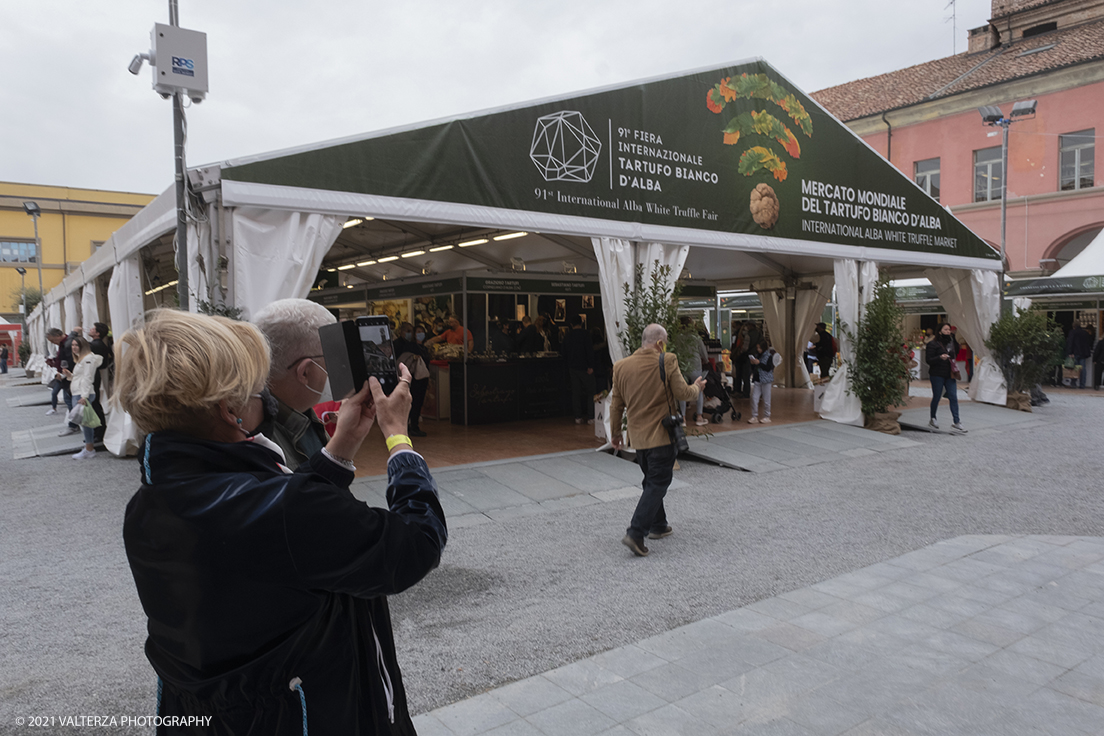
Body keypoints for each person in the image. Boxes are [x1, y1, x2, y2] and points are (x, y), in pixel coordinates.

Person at [118, 309, 447, 735]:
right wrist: (398, 439)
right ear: (230, 409)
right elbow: (416, 543)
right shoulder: (287, 509)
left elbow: (273, 536)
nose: (266, 400)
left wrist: (341, 445)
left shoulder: (148, 506)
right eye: (258, 391)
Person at [609, 323, 705, 557]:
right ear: (660, 343)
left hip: (638, 439)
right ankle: (636, 532)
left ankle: (659, 525)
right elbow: (682, 393)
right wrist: (697, 387)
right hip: (661, 435)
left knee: (651, 479)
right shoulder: (667, 359)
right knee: (658, 482)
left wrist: (615, 434)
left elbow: (616, 405)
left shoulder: (620, 366)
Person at [252, 298, 336, 470]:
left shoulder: (300, 412)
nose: (334, 370)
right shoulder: (261, 445)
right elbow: (313, 494)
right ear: (305, 372)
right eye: (330, 360)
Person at [61, 335, 103, 460]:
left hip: (83, 393)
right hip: (79, 392)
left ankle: (89, 449)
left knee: (85, 422)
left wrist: (84, 396)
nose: (74, 347)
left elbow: (88, 378)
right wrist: (70, 376)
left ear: (83, 346)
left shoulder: (87, 359)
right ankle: (88, 448)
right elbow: (81, 377)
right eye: (73, 345)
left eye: (76, 345)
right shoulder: (82, 359)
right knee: (84, 422)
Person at [926, 322, 966, 432]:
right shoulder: (932, 344)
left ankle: (957, 421)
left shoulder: (951, 343)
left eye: (949, 330)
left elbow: (955, 354)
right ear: (939, 331)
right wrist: (939, 357)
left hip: (950, 374)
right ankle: (933, 418)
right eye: (945, 330)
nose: (948, 331)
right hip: (937, 374)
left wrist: (954, 340)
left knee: (953, 396)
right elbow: (929, 360)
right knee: (937, 396)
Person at [394, 321, 431, 437]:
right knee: (413, 402)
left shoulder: (423, 347)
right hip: (414, 379)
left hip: (422, 378)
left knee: (418, 402)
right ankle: (411, 426)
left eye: (422, 332)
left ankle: (412, 425)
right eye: (418, 332)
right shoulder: (408, 346)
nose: (420, 334)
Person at [560, 314, 596, 425]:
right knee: (591, 391)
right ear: (581, 323)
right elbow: (589, 350)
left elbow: (564, 352)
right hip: (585, 367)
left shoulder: (568, 336)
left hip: (572, 368)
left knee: (576, 392)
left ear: (571, 324)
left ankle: (578, 416)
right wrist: (591, 365)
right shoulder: (586, 334)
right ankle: (591, 416)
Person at [46, 327, 81, 436]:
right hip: (65, 376)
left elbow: (70, 361)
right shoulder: (64, 343)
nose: (53, 343)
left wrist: (62, 373)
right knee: (69, 400)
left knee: (71, 401)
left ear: (57, 336)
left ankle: (73, 425)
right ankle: (74, 424)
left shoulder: (67, 344)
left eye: (53, 340)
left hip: (67, 377)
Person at [678, 317, 710, 426]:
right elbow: (704, 353)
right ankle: (699, 418)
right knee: (699, 390)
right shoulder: (696, 337)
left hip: (682, 367)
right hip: (695, 366)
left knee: (682, 391)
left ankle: (683, 418)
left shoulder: (677, 338)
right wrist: (706, 360)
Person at [87, 322, 113, 436]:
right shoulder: (100, 344)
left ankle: (99, 430)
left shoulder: (94, 345)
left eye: (93, 329)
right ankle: (99, 429)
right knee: (95, 403)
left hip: (92, 376)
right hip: (95, 374)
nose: (90, 330)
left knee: (94, 403)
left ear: (97, 333)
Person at [747, 340, 777, 424]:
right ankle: (754, 416)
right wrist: (753, 363)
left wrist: (759, 363)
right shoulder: (757, 355)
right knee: (754, 398)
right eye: (757, 348)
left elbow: (768, 368)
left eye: (759, 348)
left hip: (766, 380)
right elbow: (754, 368)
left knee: (766, 399)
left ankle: (767, 416)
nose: (758, 349)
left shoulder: (769, 356)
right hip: (757, 379)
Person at [1066, 322, 1093, 389]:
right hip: (1083, 353)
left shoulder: (1072, 332)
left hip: (1075, 353)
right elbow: (1089, 343)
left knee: (1074, 368)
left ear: (1073, 326)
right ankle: (1082, 384)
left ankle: (1073, 383)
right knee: (1083, 369)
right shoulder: (1085, 333)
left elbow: (1070, 342)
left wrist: (1070, 352)